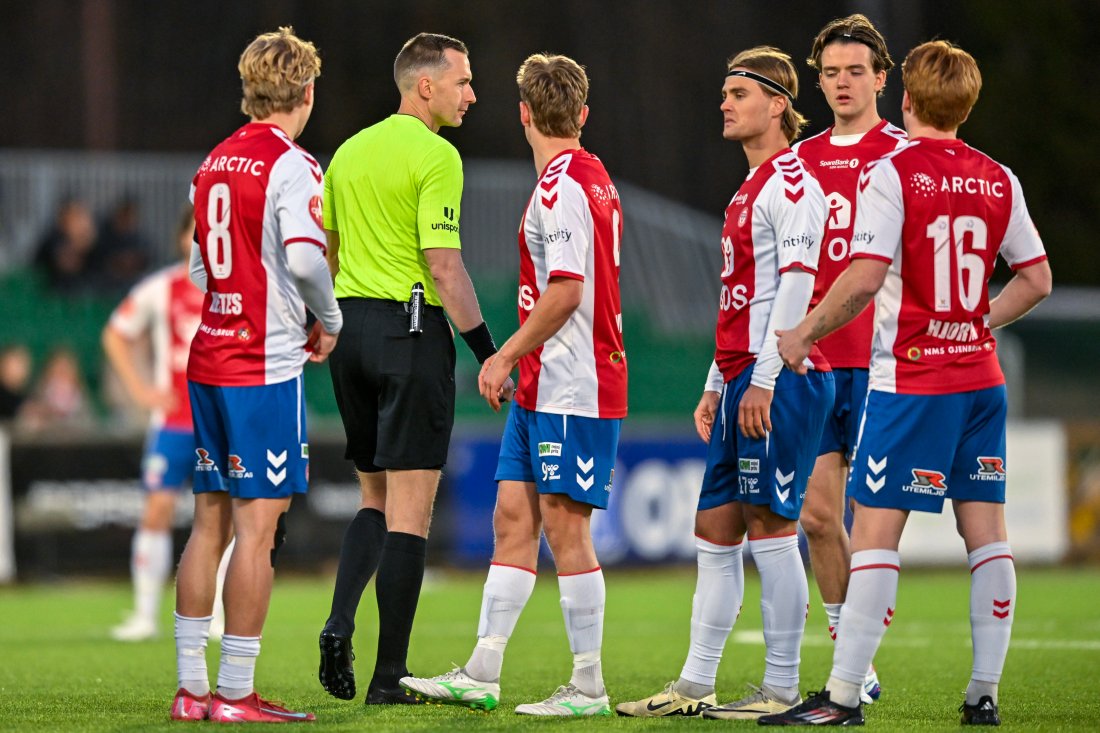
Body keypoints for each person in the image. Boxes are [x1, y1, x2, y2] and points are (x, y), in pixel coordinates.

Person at [761, 40, 1052, 726]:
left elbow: (863, 278)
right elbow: (1036, 278)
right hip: (981, 379)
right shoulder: (998, 176)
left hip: (913, 380)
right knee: (988, 537)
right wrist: (979, 317)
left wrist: (803, 331)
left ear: (907, 100)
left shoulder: (894, 172)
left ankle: (840, 696)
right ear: (967, 104)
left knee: (875, 537)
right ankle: (983, 694)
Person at [400, 52, 627, 717]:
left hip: (571, 382)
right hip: (545, 384)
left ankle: (588, 685)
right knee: (512, 519)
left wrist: (501, 357)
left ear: (523, 113)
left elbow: (565, 292)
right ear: (581, 114)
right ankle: (483, 668)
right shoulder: (590, 175)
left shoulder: (561, 186)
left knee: (566, 529)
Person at [615, 47, 832, 720]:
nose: (726, 102)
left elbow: (795, 289)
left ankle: (782, 685)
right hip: (743, 377)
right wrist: (717, 381)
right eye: (725, 91)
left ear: (777, 104)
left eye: (739, 91)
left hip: (783, 378)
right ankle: (694, 683)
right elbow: (742, 295)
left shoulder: (794, 183)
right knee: (714, 527)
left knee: (773, 528)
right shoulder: (749, 187)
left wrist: (764, 378)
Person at [316, 32, 504, 707]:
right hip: (411, 328)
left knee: (373, 496)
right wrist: (489, 352)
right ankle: (388, 678)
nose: (472, 94)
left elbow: (328, 256)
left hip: (351, 328)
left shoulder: (347, 153)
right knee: (411, 515)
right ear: (425, 85)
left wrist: (330, 324)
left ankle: (340, 620)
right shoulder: (437, 155)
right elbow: (443, 265)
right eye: (463, 80)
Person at [170, 27, 341, 724]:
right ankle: (236, 693)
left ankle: (191, 690)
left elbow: (198, 270)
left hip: (209, 355)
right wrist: (327, 317)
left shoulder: (213, 162)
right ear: (305, 92)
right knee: (257, 529)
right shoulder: (293, 165)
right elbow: (304, 260)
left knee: (207, 523)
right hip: (261, 367)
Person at [790, 13, 907, 704]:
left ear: (881, 79)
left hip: (886, 360)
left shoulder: (906, 153)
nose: (841, 82)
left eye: (854, 70)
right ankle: (853, 664)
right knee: (814, 514)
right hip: (816, 361)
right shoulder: (800, 159)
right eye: (831, 72)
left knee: (875, 516)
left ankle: (860, 647)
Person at [104, 208, 232, 643]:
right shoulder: (162, 288)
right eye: (194, 233)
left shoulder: (234, 288)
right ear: (181, 239)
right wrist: (141, 391)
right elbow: (115, 333)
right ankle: (144, 615)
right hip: (174, 421)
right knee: (157, 511)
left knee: (223, 519)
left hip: (220, 421)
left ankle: (215, 615)